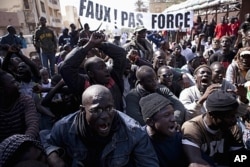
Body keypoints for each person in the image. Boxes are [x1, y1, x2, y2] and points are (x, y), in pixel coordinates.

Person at [40, 84, 159, 167]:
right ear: (82, 110)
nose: (105, 116)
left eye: (109, 108)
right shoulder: (65, 127)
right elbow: (44, 138)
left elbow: (148, 163)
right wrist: (52, 155)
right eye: (96, 110)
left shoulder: (133, 131)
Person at [60, 32, 126, 111]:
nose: (106, 70)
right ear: (91, 74)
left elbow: (121, 54)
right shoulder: (82, 85)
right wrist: (88, 46)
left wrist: (99, 45)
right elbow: (66, 68)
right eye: (101, 68)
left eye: (105, 66)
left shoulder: (114, 77)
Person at [181, 90, 249, 166]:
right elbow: (195, 163)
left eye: (234, 115)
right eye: (229, 116)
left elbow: (238, 157)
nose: (234, 120)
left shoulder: (232, 127)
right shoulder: (193, 128)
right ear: (212, 114)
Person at [139, 93, 188, 167]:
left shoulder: (178, 136)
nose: (173, 119)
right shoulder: (139, 142)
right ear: (150, 122)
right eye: (166, 115)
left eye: (172, 113)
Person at [0, 69, 39, 142]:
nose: (18, 84)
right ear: (1, 89)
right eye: (13, 82)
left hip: (26, 145)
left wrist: (21, 144)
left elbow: (33, 125)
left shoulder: (25, 100)